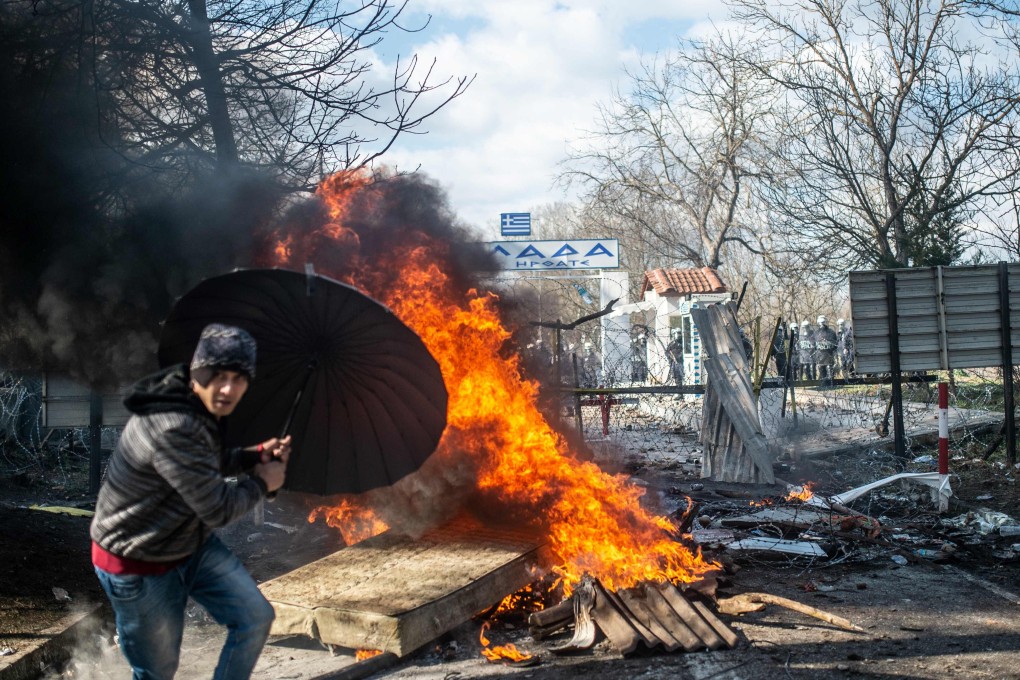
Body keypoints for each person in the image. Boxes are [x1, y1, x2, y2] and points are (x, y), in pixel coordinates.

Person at [90, 323, 291, 680]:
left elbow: (203, 461)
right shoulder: (173, 424)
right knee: (158, 671)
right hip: (139, 562)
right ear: (199, 372)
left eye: (240, 378)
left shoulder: (188, 400)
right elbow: (217, 507)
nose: (229, 388)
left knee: (254, 618)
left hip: (185, 543)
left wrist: (252, 455)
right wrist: (262, 482)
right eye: (219, 375)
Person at [813, 315, 839, 383]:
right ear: (818, 323)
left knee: (830, 369)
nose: (822, 324)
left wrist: (835, 356)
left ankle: (831, 384)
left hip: (829, 354)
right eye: (821, 323)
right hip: (820, 355)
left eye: (823, 322)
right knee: (822, 370)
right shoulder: (816, 333)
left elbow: (835, 345)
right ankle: (824, 385)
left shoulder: (831, 332)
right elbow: (813, 345)